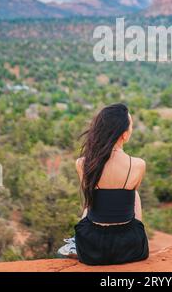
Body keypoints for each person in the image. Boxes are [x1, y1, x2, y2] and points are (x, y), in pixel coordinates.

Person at [57, 103, 149, 265]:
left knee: (92, 197)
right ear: (125, 135)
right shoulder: (138, 165)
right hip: (130, 247)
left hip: (92, 248)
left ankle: (74, 242)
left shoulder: (83, 164)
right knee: (133, 194)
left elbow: (90, 203)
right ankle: (138, 234)